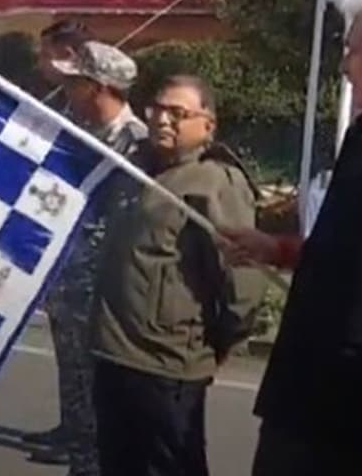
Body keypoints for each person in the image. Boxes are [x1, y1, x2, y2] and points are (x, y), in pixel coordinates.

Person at [220, 0, 362, 476]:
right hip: (305, 389)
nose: (344, 66)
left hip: (359, 404)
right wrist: (278, 250)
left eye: (353, 49)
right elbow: (349, 252)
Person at [90, 74, 266, 476]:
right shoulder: (137, 169)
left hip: (167, 364)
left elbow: (243, 279)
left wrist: (221, 340)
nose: (163, 121)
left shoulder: (215, 181)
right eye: (157, 110)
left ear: (208, 125)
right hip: (116, 353)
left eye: (178, 113)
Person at [35, 41, 148, 476]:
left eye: (74, 82)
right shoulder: (78, 130)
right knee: (76, 383)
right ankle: (78, 454)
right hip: (71, 284)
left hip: (106, 292)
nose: (66, 90)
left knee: (102, 398)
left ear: (99, 87)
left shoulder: (135, 144)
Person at [26, 18, 101, 454]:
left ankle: (87, 438)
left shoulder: (91, 114)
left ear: (68, 56)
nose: (41, 63)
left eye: (46, 53)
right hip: (62, 252)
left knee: (83, 355)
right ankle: (71, 425)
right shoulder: (60, 105)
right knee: (66, 349)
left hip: (88, 255)